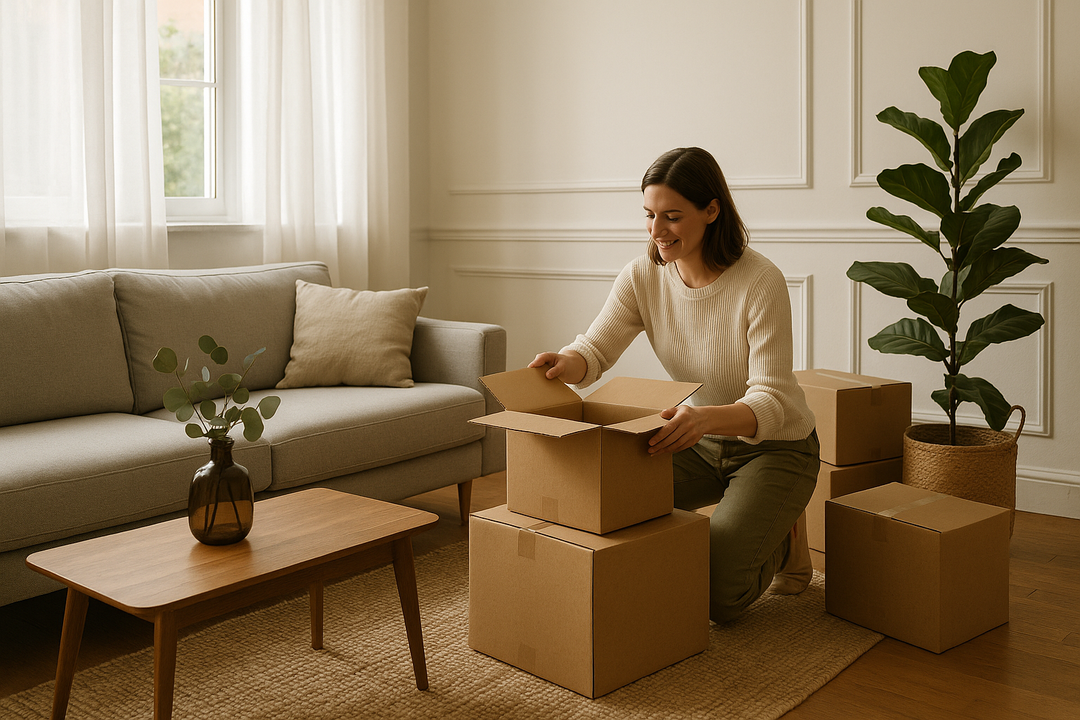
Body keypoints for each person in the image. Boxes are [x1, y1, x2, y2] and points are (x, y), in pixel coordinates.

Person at [529, 146, 819, 623]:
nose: (656, 231)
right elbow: (595, 350)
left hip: (774, 445)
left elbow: (770, 397)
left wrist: (703, 419)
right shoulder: (643, 276)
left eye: (672, 216)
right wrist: (566, 361)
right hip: (697, 439)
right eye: (649, 215)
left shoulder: (761, 280)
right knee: (603, 504)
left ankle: (782, 534)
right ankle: (760, 520)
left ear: (711, 210)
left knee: (719, 597)